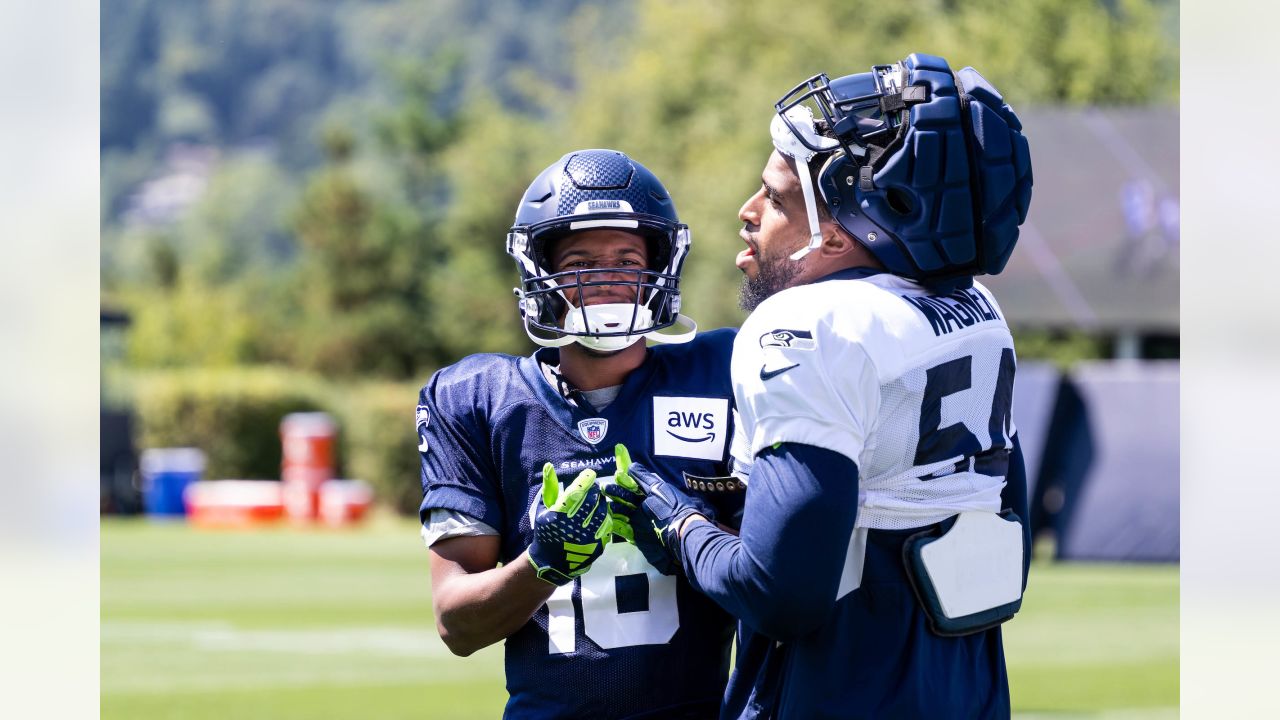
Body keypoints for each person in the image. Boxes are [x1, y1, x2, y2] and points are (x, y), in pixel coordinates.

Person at [606, 54, 1035, 718]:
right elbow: (1013, 531)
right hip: (965, 685)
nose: (748, 213)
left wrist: (672, 517)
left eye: (776, 199)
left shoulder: (807, 326)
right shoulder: (977, 309)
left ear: (836, 235)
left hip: (841, 686)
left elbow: (782, 594)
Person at [417, 149, 747, 719]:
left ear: (659, 267)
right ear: (541, 272)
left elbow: (785, 572)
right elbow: (456, 623)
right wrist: (544, 561)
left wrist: (689, 528)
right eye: (579, 263)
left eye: (626, 257)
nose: (607, 280)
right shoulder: (477, 397)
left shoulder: (727, 370)